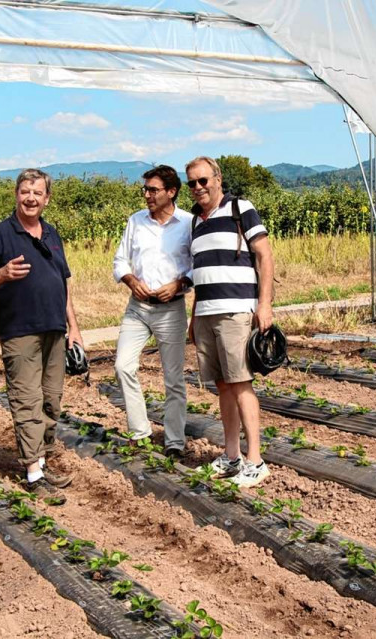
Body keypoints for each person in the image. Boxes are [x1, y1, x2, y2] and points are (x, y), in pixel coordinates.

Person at [0, 168, 81, 500]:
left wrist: (74, 328)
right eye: (25, 192)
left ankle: (43, 460)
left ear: (46, 198)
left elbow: (63, 282)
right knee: (27, 400)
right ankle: (33, 474)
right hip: (19, 329)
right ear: (16, 194)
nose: (31, 198)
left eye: (37, 193)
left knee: (51, 400)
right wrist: (3, 274)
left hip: (54, 328)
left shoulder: (51, 233)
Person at [186, 156, 275, 488]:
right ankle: (231, 455)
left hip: (236, 311)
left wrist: (264, 305)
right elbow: (200, 275)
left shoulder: (240, 208)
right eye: (192, 183)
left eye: (203, 181)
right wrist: (194, 318)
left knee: (240, 382)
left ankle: (256, 460)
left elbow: (265, 255)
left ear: (218, 179)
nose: (198, 188)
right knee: (223, 384)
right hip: (207, 312)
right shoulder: (195, 222)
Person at [112, 166, 193, 456]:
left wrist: (180, 283)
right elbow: (120, 261)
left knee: (173, 378)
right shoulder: (136, 221)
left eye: (153, 190)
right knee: (123, 365)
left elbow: (197, 264)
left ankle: (173, 441)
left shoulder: (188, 223)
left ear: (171, 192)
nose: (147, 195)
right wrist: (131, 280)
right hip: (138, 307)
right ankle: (140, 432)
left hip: (171, 309)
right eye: (145, 189)